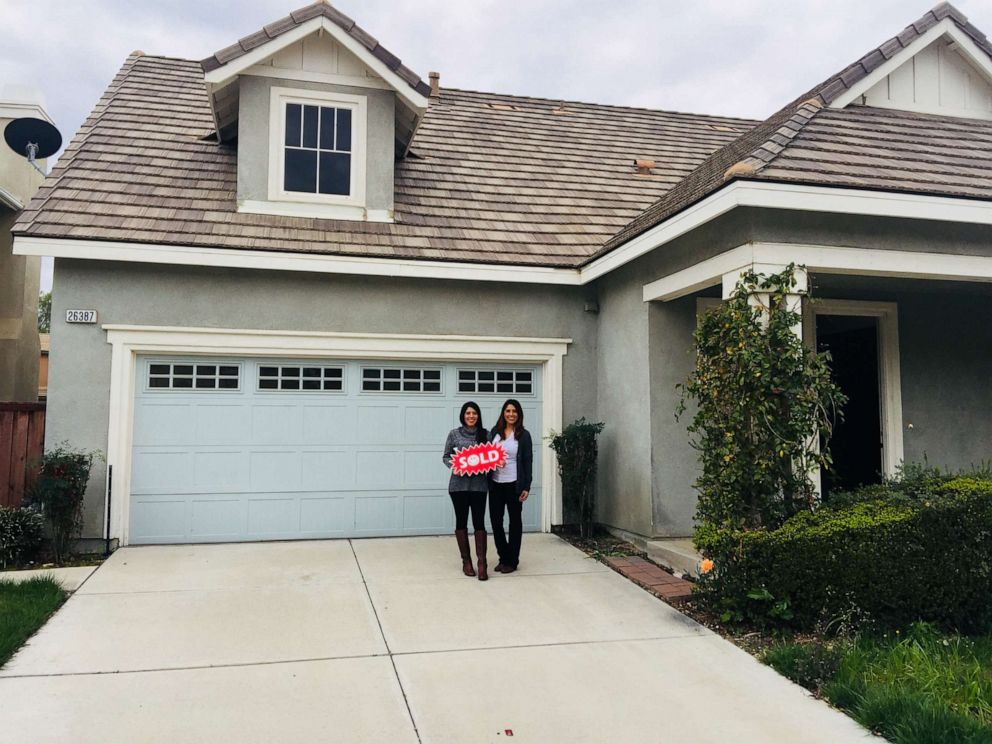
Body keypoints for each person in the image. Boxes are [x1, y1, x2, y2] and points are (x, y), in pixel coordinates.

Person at [442, 401, 490, 581]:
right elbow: (446, 456)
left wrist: (495, 463)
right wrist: (453, 466)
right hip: (458, 487)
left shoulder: (486, 434)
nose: (471, 416)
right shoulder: (454, 434)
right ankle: (466, 561)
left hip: (479, 487)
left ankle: (482, 563)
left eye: (474, 413)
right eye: (468, 413)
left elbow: (492, 455)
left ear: (478, 416)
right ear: (463, 415)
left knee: (479, 523)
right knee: (461, 522)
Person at [488, 398, 532, 574]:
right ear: (503, 413)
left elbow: (528, 461)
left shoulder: (523, 435)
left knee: (515, 523)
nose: (511, 414)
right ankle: (503, 557)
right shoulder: (495, 432)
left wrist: (526, 487)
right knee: (496, 522)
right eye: (508, 411)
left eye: (514, 411)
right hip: (496, 484)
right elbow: (487, 455)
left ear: (519, 414)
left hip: (514, 484)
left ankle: (512, 561)